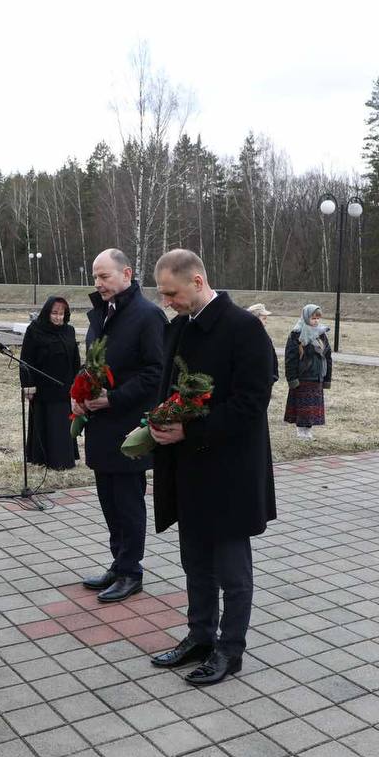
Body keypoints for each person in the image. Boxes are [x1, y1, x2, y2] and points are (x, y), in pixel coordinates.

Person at [148, 248, 275, 686]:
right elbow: (168, 391)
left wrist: (190, 432)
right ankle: (200, 637)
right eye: (163, 294)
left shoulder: (244, 329)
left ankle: (230, 650)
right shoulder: (180, 327)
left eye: (172, 293)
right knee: (195, 563)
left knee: (232, 571)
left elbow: (251, 403)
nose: (167, 302)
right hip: (189, 471)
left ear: (198, 281)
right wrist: (155, 425)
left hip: (230, 473)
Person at [74, 249, 166, 603]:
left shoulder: (148, 315)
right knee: (109, 501)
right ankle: (119, 563)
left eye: (104, 276)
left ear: (126, 274)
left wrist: (113, 399)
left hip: (127, 426)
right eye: (95, 277)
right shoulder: (102, 312)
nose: (98, 283)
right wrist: (77, 394)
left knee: (127, 502)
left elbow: (155, 373)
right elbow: (91, 363)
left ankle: (131, 572)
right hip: (100, 423)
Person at [19, 295, 80, 470]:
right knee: (46, 422)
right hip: (43, 388)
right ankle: (43, 458)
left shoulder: (69, 330)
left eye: (61, 314)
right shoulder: (35, 330)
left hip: (64, 386)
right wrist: (27, 385)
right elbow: (26, 360)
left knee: (61, 423)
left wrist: (77, 382)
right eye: (54, 313)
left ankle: (63, 459)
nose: (58, 317)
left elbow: (75, 359)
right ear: (47, 312)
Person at [283, 304, 333, 440]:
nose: (316, 321)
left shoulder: (321, 334)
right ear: (306, 317)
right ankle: (301, 431)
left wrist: (327, 378)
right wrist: (292, 379)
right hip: (303, 377)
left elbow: (327, 356)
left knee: (312, 407)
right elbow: (290, 358)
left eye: (318, 318)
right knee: (302, 405)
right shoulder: (296, 334)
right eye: (313, 318)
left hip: (317, 377)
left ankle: (308, 430)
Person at [246, 303, 280, 382]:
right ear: (255, 319)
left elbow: (272, 357)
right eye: (264, 318)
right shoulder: (246, 338)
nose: (266, 322)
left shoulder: (264, 336)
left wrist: (274, 376)